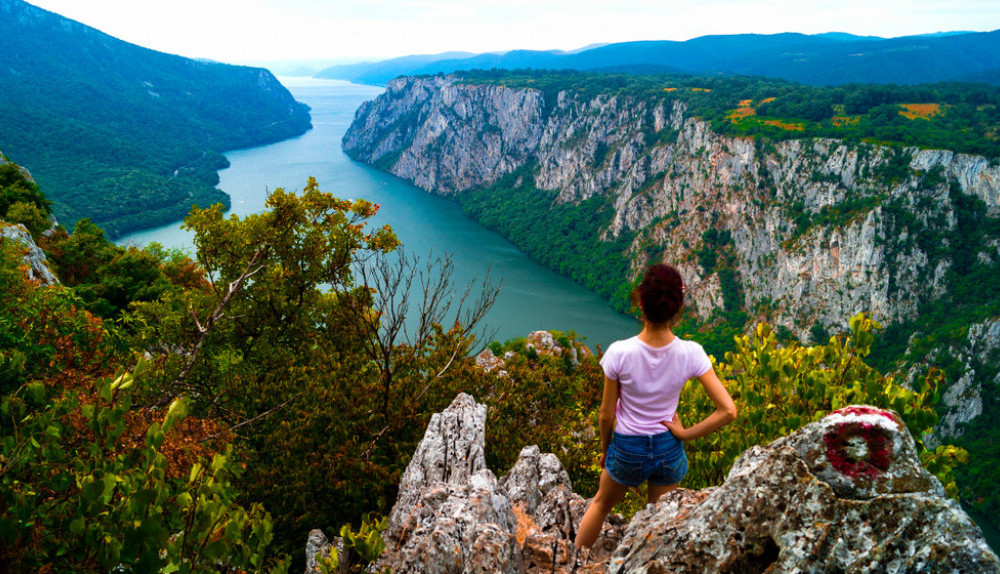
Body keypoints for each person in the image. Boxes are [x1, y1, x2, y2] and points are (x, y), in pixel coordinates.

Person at [574, 264, 737, 549]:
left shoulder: (619, 353)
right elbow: (728, 411)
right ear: (677, 308)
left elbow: (606, 415)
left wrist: (605, 450)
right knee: (654, 521)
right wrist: (685, 434)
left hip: (626, 448)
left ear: (640, 302)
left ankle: (573, 564)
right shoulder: (692, 353)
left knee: (599, 506)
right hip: (667, 448)